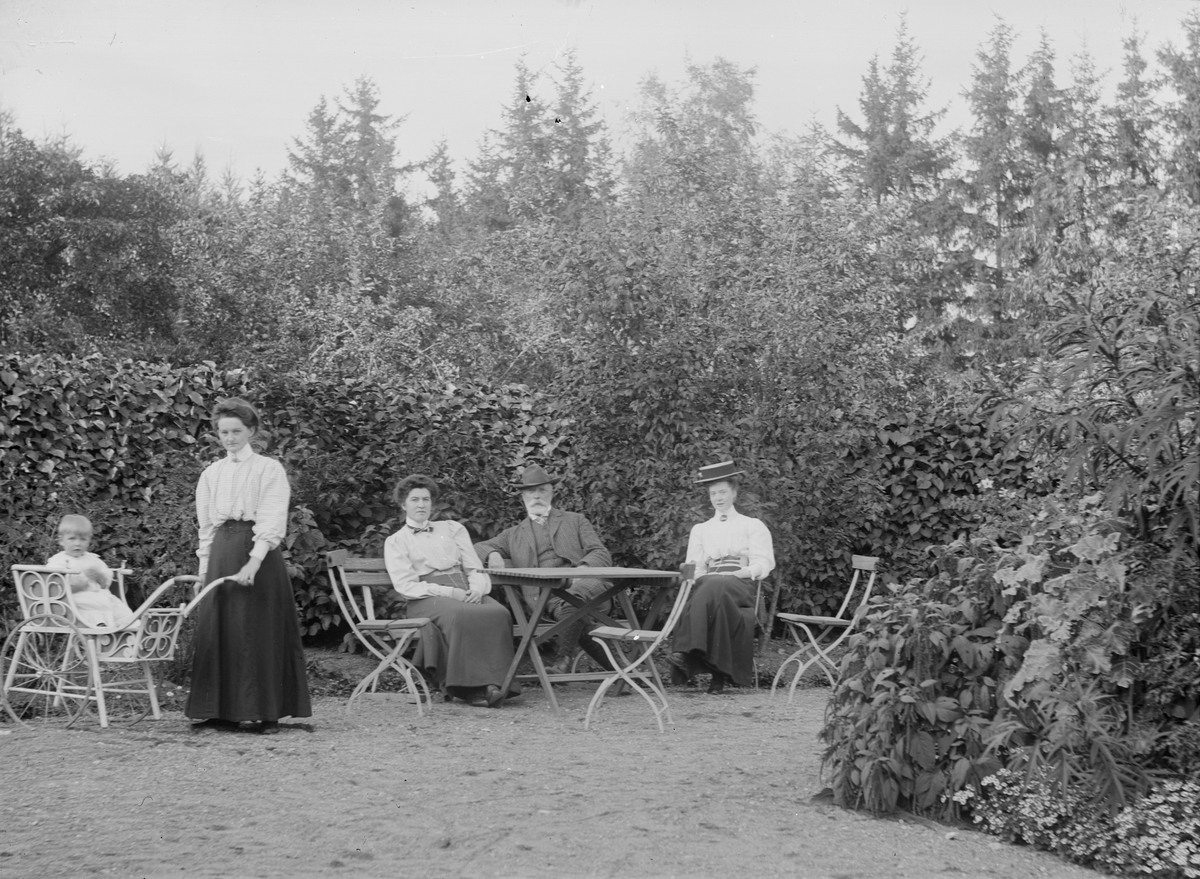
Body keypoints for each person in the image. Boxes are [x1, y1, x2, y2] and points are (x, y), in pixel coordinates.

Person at [185, 397, 311, 733]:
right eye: (223, 432)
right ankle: (220, 713)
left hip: (259, 556)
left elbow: (271, 519)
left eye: (236, 431)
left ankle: (266, 713)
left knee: (258, 630)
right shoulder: (211, 473)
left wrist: (254, 563)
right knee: (221, 629)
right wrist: (203, 572)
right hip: (222, 553)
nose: (229, 438)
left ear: (251, 431)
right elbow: (206, 528)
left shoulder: (268, 469)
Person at [383, 474, 517, 707]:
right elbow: (406, 586)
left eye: (426, 499)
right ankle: (469, 689)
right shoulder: (397, 541)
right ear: (403, 505)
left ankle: (496, 684)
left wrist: (477, 589)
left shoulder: (453, 528)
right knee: (459, 614)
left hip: (465, 589)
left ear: (432, 503)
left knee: (499, 613)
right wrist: (449, 593)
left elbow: (473, 566)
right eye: (414, 500)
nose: (421, 505)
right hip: (427, 598)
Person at [474, 464, 615, 674]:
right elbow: (478, 547)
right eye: (531, 491)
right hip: (549, 600)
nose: (537, 496)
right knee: (577, 615)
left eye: (542, 490)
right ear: (523, 497)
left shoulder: (575, 520)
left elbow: (600, 552)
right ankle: (625, 674)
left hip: (589, 589)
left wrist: (581, 570)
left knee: (575, 600)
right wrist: (492, 554)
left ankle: (563, 660)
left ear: (552, 493)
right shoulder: (513, 534)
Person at [670, 460, 775, 694]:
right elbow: (696, 566)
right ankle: (717, 674)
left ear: (734, 493)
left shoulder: (751, 525)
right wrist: (696, 577)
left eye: (723, 492)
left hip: (740, 584)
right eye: (713, 493)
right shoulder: (701, 529)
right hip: (710, 585)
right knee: (711, 585)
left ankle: (685, 652)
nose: (718, 498)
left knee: (714, 585)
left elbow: (764, 563)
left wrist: (740, 572)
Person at [46, 514, 137, 629]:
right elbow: (54, 584)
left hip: (101, 597)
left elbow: (106, 581)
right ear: (61, 541)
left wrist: (99, 576)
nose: (78, 543)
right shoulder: (59, 561)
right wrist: (79, 583)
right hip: (76, 599)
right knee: (91, 605)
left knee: (117, 605)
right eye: (72, 539)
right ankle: (100, 625)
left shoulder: (93, 559)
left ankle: (129, 626)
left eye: (83, 539)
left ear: (89, 540)